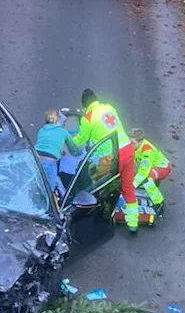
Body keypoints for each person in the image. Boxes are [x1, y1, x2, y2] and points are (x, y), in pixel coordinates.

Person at [73, 88, 139, 234]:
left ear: (84, 105)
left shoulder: (88, 118)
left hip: (111, 158)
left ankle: (100, 220)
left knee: (99, 187)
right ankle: (133, 223)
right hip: (127, 151)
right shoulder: (109, 107)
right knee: (128, 187)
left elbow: (80, 141)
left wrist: (68, 139)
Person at [36, 109, 81, 199]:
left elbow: (47, 145)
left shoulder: (42, 130)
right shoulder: (63, 132)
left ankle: (64, 197)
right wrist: (79, 153)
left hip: (35, 159)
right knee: (49, 189)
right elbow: (73, 149)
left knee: (38, 184)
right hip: (50, 161)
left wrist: (60, 152)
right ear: (58, 120)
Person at [129, 128, 171, 213]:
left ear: (140, 142)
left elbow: (143, 172)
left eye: (132, 143)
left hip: (162, 168)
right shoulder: (136, 146)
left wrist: (131, 186)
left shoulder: (147, 151)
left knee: (146, 179)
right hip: (151, 166)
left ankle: (159, 202)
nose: (130, 145)